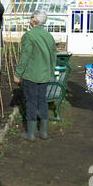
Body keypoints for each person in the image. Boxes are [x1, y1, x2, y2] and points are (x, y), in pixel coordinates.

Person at [14, 10, 57, 141]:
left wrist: (18, 73)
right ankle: (43, 132)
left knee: (31, 102)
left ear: (33, 20)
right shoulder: (49, 36)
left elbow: (25, 56)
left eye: (31, 17)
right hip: (44, 74)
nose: (30, 18)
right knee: (42, 101)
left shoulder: (29, 35)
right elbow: (53, 56)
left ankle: (30, 134)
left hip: (31, 75)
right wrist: (50, 72)